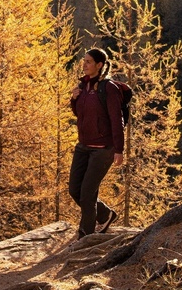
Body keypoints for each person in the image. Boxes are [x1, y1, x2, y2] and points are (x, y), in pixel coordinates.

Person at [68, 48, 124, 238]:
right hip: (83, 146)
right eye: (84, 61)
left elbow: (117, 119)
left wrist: (119, 149)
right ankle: (106, 214)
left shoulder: (108, 88)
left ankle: (86, 235)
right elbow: (81, 114)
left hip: (102, 150)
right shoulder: (83, 86)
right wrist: (74, 100)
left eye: (88, 62)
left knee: (87, 193)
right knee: (74, 189)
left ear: (99, 65)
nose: (84, 65)